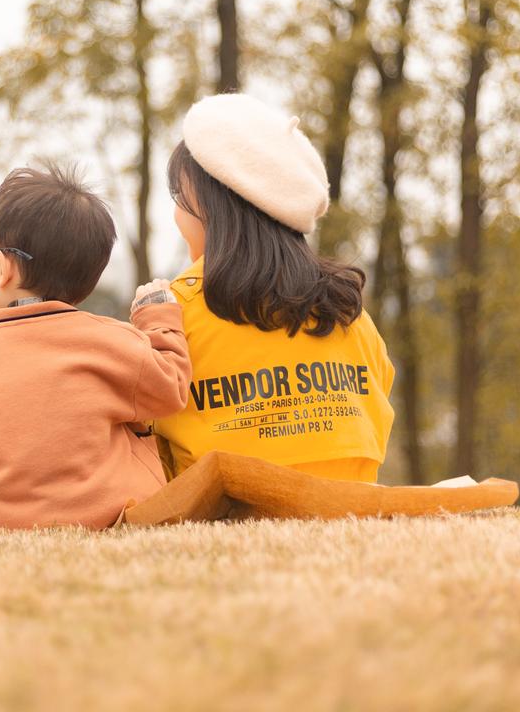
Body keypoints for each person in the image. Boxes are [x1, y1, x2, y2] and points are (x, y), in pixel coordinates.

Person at [0, 164, 191, 531]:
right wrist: (157, 316)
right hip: (104, 510)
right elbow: (171, 387)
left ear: (1, 267)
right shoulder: (113, 343)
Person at [152, 93, 396, 483]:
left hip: (225, 508)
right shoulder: (352, 313)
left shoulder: (173, 310)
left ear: (210, 207)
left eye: (181, 198)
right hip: (350, 500)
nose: (176, 214)